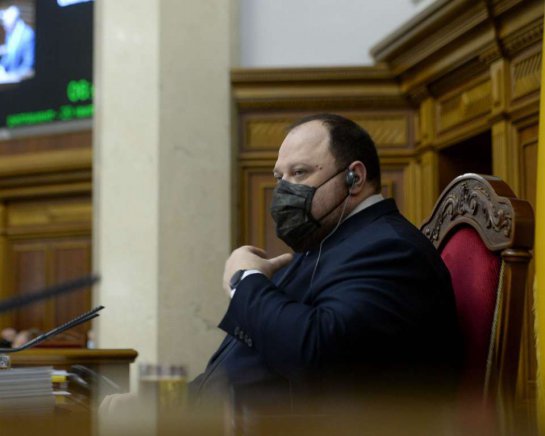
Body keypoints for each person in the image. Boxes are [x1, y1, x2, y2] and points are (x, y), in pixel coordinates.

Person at [190, 113, 461, 409]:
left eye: (300, 172)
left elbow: (316, 354)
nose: (283, 191)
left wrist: (245, 281)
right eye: (280, 177)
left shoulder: (391, 249)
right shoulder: (325, 241)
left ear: (354, 178)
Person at [0, 5, 34, 82]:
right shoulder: (10, 32)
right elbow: (9, 56)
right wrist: (1, 67)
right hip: (9, 75)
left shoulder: (28, 35)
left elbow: (28, 65)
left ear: (14, 21)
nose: (4, 26)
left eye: (6, 23)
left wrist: (12, 76)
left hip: (20, 79)